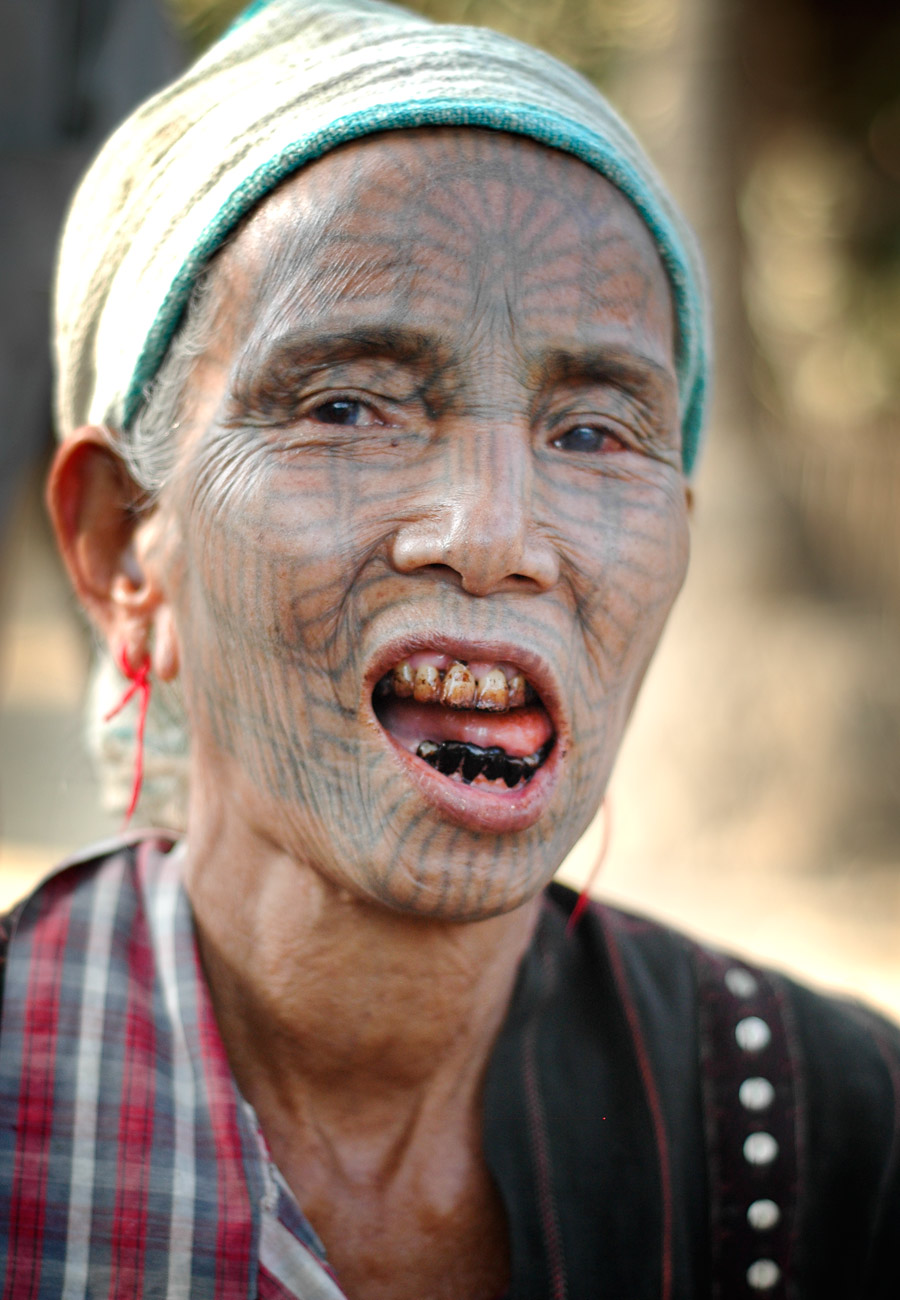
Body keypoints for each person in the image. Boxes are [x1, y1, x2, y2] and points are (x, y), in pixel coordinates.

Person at [0, 1, 897, 1296]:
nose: (494, 535)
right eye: (348, 405)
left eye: (596, 431)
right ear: (122, 545)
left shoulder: (834, 1142)